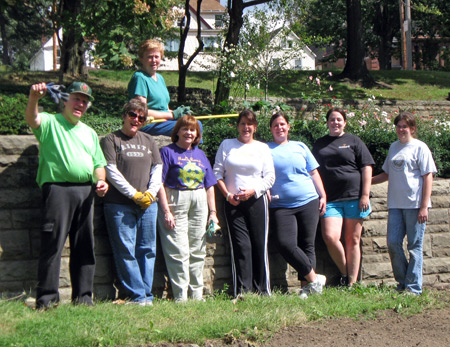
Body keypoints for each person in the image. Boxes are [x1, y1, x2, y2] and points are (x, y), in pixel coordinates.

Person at [25, 82, 109, 309]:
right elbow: (32, 119)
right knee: (53, 244)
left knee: (84, 245)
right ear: (65, 100)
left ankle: (83, 298)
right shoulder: (51, 122)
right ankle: (47, 299)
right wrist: (34, 98)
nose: (80, 104)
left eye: (84, 101)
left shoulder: (90, 132)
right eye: (76, 98)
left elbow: (99, 163)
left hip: (86, 191)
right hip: (58, 190)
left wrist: (101, 181)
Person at [101, 99, 162, 306]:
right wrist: (134, 194)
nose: (136, 120)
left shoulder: (149, 140)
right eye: (132, 115)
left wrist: (150, 194)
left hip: (147, 205)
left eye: (141, 117)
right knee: (126, 250)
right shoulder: (111, 140)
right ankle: (137, 296)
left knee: (147, 249)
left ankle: (146, 295)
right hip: (119, 205)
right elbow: (111, 171)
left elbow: (157, 169)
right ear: (124, 115)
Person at [372, 112, 436, 295]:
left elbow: (428, 177)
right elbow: (386, 174)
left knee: (414, 247)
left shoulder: (420, 148)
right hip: (395, 205)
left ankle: (414, 287)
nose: (401, 130)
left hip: (415, 205)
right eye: (398, 126)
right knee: (392, 243)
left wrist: (424, 206)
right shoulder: (394, 147)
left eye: (404, 126)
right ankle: (402, 282)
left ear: (412, 129)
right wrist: (366, 181)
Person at [213, 109, 275, 297]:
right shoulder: (227, 145)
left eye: (249, 124)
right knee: (240, 246)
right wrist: (227, 195)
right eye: (242, 123)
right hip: (233, 203)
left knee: (259, 245)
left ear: (255, 127)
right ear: (237, 126)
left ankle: (263, 290)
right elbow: (217, 173)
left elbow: (270, 177)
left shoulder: (262, 148)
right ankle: (243, 291)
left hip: (257, 200)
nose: (246, 127)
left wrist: (254, 191)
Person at [157, 115, 218, 302]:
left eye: (193, 130)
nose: (189, 133)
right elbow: (159, 183)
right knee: (178, 250)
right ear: (177, 132)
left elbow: (210, 185)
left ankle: (197, 295)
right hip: (176, 199)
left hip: (199, 201)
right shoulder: (167, 152)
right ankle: (181, 296)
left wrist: (213, 213)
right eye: (185, 129)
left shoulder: (200, 155)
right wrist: (166, 211)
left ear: (197, 134)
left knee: (198, 249)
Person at [312, 107, 374, 286]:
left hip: (354, 197)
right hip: (330, 199)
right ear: (327, 122)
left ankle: (351, 283)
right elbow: (313, 170)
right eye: (332, 119)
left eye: (339, 119)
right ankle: (346, 273)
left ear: (345, 122)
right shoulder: (320, 143)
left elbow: (366, 167)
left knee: (352, 239)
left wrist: (364, 195)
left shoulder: (354, 141)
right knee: (330, 237)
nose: (335, 122)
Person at [268, 113, 327, 298]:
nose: (279, 128)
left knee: (307, 244)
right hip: (281, 204)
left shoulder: (300, 146)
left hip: (308, 200)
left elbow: (313, 172)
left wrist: (323, 195)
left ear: (288, 127)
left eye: (282, 124)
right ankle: (314, 279)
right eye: (276, 125)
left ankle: (306, 289)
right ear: (271, 129)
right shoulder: (265, 149)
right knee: (285, 243)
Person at [128, 39, 201, 137]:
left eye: (156, 57)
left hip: (163, 122)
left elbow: (164, 108)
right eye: (150, 57)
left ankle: (193, 152)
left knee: (194, 123)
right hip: (148, 124)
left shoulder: (160, 78)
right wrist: (172, 115)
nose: (154, 60)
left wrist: (180, 113)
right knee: (193, 127)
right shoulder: (140, 77)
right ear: (142, 59)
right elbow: (141, 111)